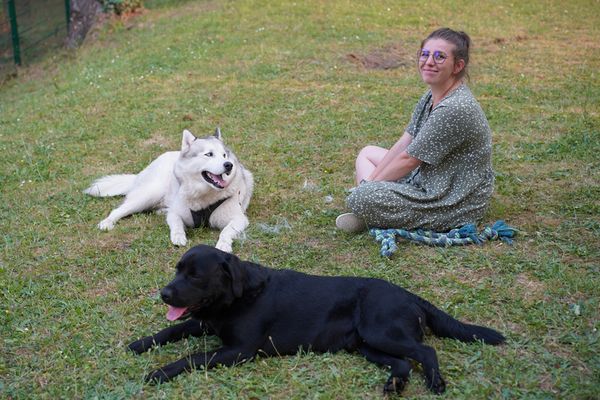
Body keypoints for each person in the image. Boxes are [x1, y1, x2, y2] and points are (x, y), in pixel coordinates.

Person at [336, 28, 494, 233]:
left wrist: (367, 188)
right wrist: (372, 183)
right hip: (430, 178)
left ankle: (370, 213)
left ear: (458, 66)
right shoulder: (433, 95)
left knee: (362, 196)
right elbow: (405, 141)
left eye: (439, 57)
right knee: (367, 153)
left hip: (452, 202)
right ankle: (371, 211)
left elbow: (410, 160)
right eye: (425, 54)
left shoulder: (455, 108)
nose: (429, 61)